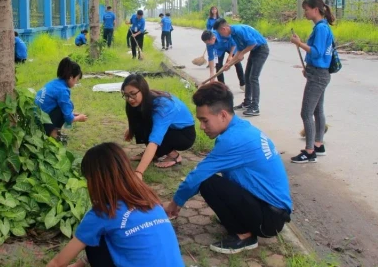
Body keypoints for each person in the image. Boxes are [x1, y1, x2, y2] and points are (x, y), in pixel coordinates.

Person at [163, 82, 292, 255]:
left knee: (207, 182)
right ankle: (242, 222)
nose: (201, 127)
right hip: (272, 212)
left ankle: (245, 236)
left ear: (223, 115)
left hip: (269, 220)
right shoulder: (242, 129)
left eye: (204, 120)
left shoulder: (233, 140)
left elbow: (197, 175)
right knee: (215, 180)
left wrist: (175, 203)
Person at [47, 142, 184, 267]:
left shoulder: (103, 212)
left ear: (94, 181)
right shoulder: (150, 199)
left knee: (95, 236)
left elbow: (58, 263)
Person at [290, 0, 335, 163]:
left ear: (315, 9)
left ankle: (309, 152)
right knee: (317, 110)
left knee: (306, 112)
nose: (305, 13)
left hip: (318, 75)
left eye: (307, 9)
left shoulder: (321, 29)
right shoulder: (321, 27)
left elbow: (317, 52)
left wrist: (299, 43)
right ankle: (318, 144)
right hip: (317, 72)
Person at [122, 74, 196, 172]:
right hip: (171, 129)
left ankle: (174, 156)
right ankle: (155, 154)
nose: (130, 99)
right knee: (140, 123)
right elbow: (135, 119)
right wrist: (132, 129)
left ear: (142, 90)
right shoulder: (145, 99)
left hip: (184, 135)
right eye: (126, 95)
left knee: (152, 132)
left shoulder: (162, 106)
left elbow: (154, 140)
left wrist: (139, 172)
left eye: (133, 94)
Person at [215, 18, 269, 116]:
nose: (221, 35)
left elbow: (253, 43)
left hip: (261, 50)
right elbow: (239, 51)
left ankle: (255, 107)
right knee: (247, 76)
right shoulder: (233, 34)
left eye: (220, 33)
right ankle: (247, 103)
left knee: (253, 77)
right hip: (254, 51)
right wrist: (229, 64)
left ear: (224, 29)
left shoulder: (239, 31)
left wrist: (242, 53)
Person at [35, 57, 87, 140]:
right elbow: (68, 118)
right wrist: (79, 118)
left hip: (36, 118)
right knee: (68, 105)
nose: (76, 83)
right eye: (76, 79)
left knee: (68, 106)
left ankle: (53, 132)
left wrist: (71, 114)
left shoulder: (54, 82)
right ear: (70, 77)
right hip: (42, 122)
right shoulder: (62, 91)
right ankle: (53, 134)